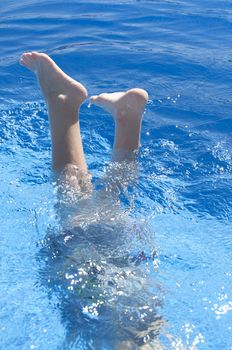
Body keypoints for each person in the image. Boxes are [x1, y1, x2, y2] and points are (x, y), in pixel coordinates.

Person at [20, 52, 163, 349]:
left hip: (132, 276)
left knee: (111, 204)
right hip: (91, 274)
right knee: (74, 201)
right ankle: (63, 105)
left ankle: (128, 117)